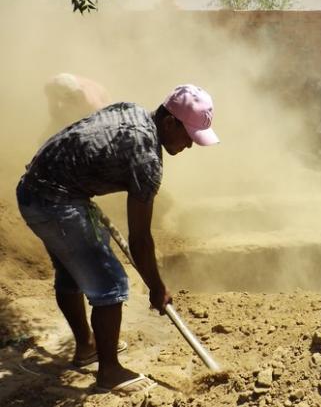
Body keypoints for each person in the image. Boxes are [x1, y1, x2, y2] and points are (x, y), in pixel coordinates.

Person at [16, 84, 219, 394]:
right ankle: (109, 371)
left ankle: (86, 346)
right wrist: (157, 287)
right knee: (111, 282)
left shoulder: (133, 110)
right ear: (169, 122)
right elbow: (139, 239)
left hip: (36, 188)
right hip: (55, 200)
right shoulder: (147, 159)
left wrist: (76, 186)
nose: (190, 146)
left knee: (71, 271)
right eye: (189, 136)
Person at [43, 73, 112, 140]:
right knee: (45, 138)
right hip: (75, 108)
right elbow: (54, 112)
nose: (71, 98)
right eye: (68, 96)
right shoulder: (51, 86)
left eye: (72, 96)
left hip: (97, 107)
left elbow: (102, 115)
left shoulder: (89, 99)